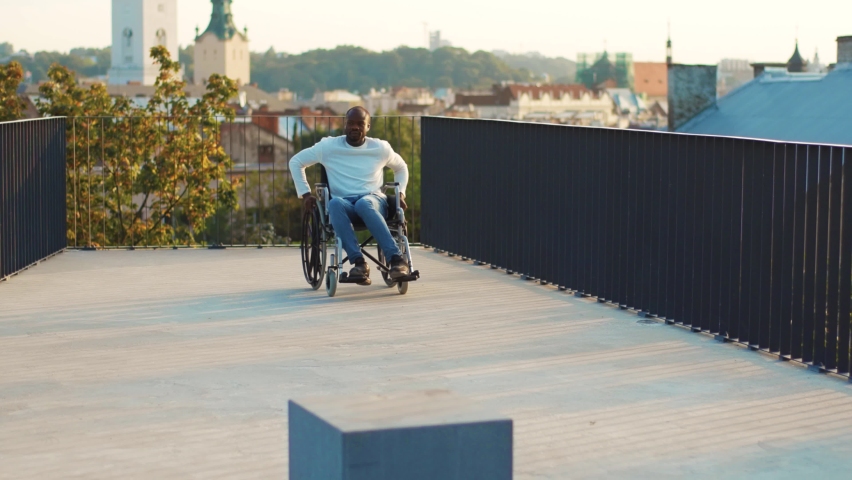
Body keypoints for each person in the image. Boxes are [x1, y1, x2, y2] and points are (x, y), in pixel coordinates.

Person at [289, 106, 410, 283]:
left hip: (374, 201)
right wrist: (306, 194)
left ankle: (396, 260)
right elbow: (296, 161)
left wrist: (402, 193)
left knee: (364, 203)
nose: (355, 127)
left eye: (360, 124)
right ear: (345, 125)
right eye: (351, 123)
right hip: (345, 204)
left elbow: (401, 167)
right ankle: (359, 263)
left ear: (368, 127)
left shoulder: (380, 148)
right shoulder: (328, 147)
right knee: (335, 204)